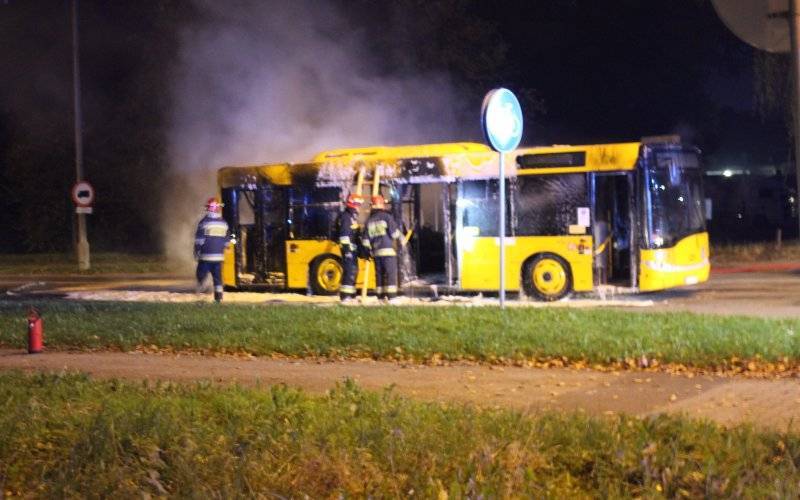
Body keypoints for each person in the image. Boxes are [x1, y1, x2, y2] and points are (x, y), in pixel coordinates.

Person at [362, 195, 404, 301]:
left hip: (376, 253)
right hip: (388, 251)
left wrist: (367, 251)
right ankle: (392, 298)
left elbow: (365, 240)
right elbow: (394, 234)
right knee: (390, 274)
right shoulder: (387, 217)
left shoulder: (369, 221)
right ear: (382, 205)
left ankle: (380, 297)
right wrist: (401, 237)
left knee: (379, 275)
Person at [194, 197, 229, 302]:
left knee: (201, 273)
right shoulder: (224, 223)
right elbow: (227, 241)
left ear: (208, 208)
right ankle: (219, 298)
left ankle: (201, 287)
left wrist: (196, 251)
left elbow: (199, 240)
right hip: (218, 257)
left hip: (206, 256)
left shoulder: (204, 222)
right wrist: (224, 248)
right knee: (218, 278)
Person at [337, 194, 364, 301]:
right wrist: (347, 250)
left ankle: (351, 295)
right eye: (358, 205)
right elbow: (344, 236)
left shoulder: (352, 217)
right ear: (354, 204)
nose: (359, 207)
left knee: (353, 271)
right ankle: (345, 297)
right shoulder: (346, 217)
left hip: (353, 250)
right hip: (349, 251)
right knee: (349, 271)